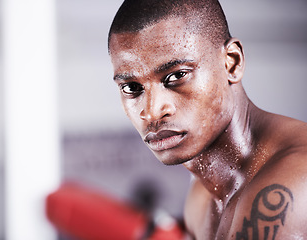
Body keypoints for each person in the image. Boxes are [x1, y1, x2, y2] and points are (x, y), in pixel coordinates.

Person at [107, 0, 307, 239]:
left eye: (177, 76)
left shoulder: (291, 183)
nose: (151, 112)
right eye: (131, 87)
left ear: (231, 63)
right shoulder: (202, 193)